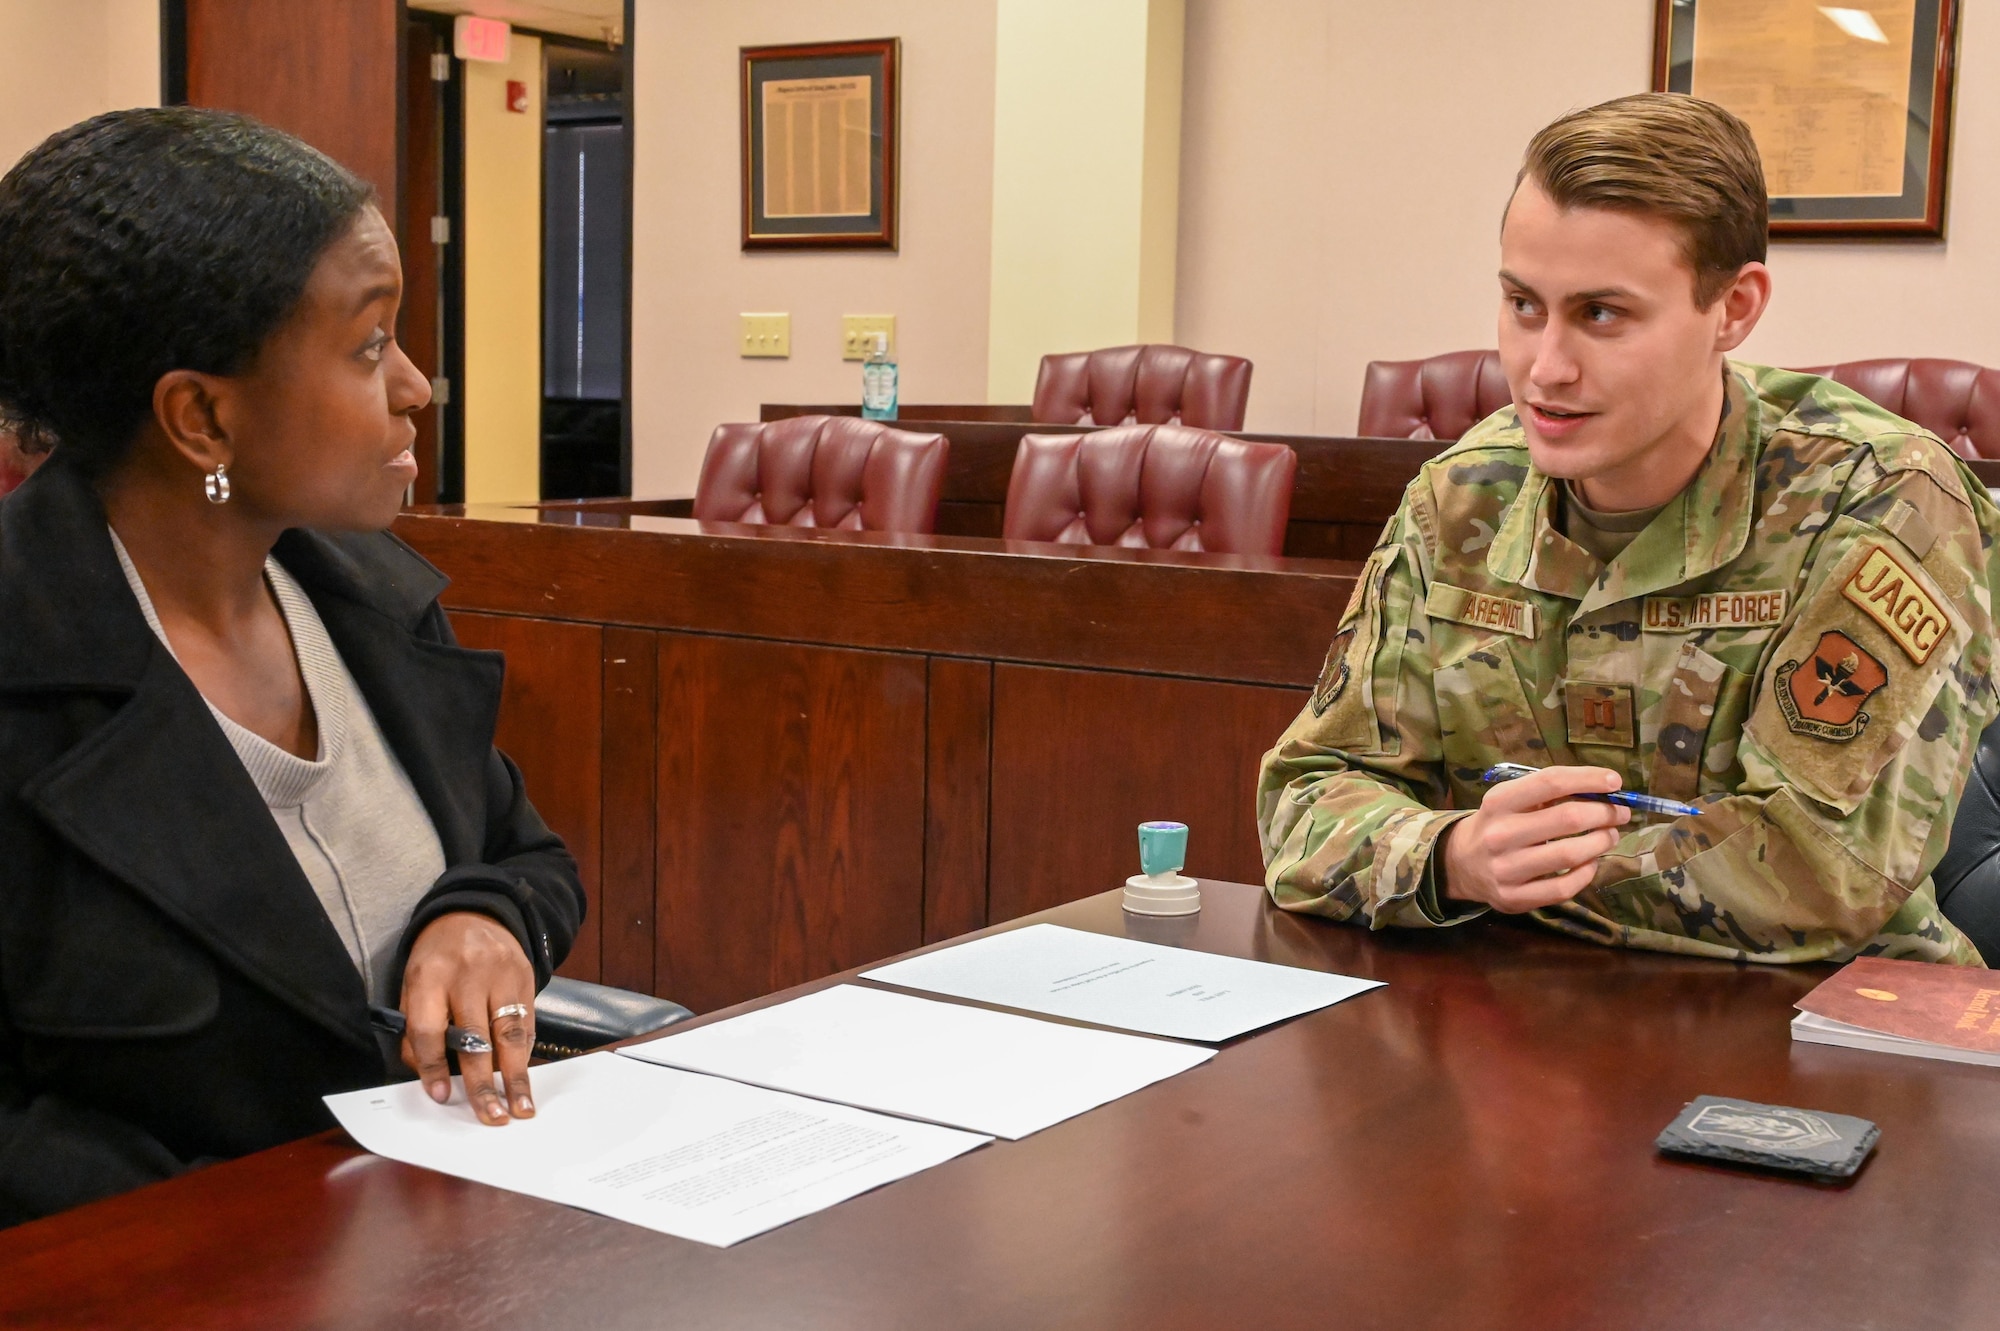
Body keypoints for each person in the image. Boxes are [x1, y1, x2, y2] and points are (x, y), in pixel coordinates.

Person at [0, 108, 586, 1226]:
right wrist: (267, 1237)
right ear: (203, 418)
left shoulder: (369, 599)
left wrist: (486, 915)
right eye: (369, 345)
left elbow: (528, 851)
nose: (417, 386)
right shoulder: (29, 668)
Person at [1258, 94, 2000, 966]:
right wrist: (1455, 856)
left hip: (1828, 1034)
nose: (1546, 368)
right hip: (1524, 1026)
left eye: (1602, 314)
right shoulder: (1461, 497)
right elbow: (1306, 797)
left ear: (1733, 307)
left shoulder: (1881, 499)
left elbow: (1817, 875)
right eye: (1523, 305)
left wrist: (1513, 872)